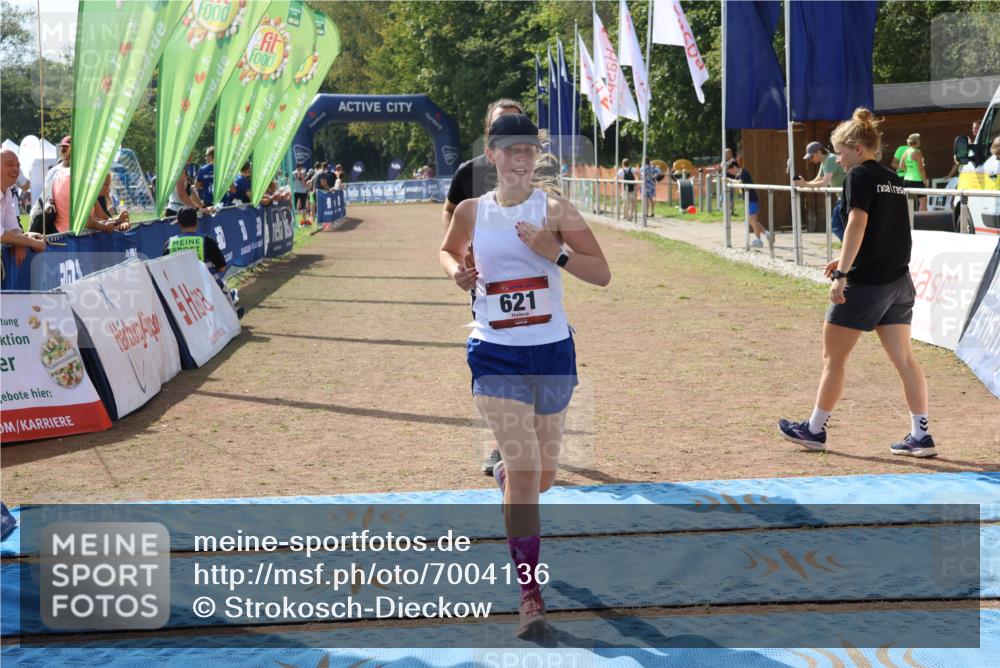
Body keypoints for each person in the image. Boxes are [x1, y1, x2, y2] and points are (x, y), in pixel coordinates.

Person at [439, 113, 610, 638]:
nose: (520, 158)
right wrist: (458, 272)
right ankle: (530, 594)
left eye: (529, 150)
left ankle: (508, 480)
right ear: (490, 155)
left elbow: (600, 273)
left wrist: (553, 251)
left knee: (542, 477)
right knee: (523, 459)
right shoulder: (471, 211)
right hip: (494, 352)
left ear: (537, 156)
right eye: (510, 149)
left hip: (552, 351)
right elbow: (447, 250)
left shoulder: (556, 209)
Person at [779, 108, 934, 458]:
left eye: (840, 151)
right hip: (898, 282)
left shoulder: (859, 176)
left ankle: (815, 430)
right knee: (905, 360)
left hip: (866, 285)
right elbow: (888, 230)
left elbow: (857, 224)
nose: (837, 159)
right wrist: (846, 259)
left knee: (833, 358)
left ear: (858, 148)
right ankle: (921, 436)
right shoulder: (891, 177)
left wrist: (842, 273)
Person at [442, 97, 527, 475]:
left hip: (533, 285)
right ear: (488, 136)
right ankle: (501, 443)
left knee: (533, 361)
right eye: (500, 127)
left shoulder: (539, 171)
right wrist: (461, 258)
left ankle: (520, 438)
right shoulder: (469, 172)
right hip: (487, 287)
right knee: (492, 362)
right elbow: (451, 212)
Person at [163, 206, 243, 319]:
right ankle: (233, 316)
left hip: (181, 292)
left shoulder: (169, 244)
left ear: (179, 225)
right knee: (224, 287)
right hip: (208, 289)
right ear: (196, 223)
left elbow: (166, 272)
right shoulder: (207, 240)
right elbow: (222, 268)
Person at [795, 141, 847, 239]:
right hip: (842, 196)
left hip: (845, 196)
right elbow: (817, 180)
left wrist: (805, 184)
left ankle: (854, 250)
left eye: (811, 156)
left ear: (818, 152)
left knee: (836, 226)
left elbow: (824, 183)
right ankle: (854, 250)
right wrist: (803, 184)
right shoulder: (825, 161)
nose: (810, 160)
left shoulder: (830, 159)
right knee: (840, 226)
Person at [1, 148, 46, 257]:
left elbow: (12, 227)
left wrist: (21, 241)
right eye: (10, 164)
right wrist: (31, 242)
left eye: (18, 166)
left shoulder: (7, 193)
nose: (16, 169)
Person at [725, 159, 768, 247]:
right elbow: (737, 182)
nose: (731, 173)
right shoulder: (738, 175)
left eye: (730, 171)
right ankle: (767, 233)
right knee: (751, 220)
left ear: (734, 167)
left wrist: (729, 180)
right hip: (748, 199)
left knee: (752, 219)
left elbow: (740, 183)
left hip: (752, 199)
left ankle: (758, 239)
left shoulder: (744, 173)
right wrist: (730, 180)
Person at [898, 134, 929, 212]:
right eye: (919, 140)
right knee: (923, 204)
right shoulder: (918, 152)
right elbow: (921, 169)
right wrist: (925, 181)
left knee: (908, 205)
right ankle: (922, 223)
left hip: (907, 180)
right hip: (917, 181)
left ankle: (908, 223)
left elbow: (901, 166)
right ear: (917, 142)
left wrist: (908, 170)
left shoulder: (906, 152)